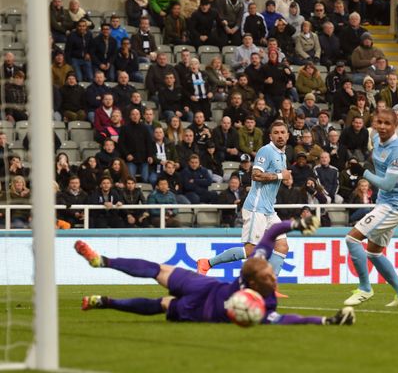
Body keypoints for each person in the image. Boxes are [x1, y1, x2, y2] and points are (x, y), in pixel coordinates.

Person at [75, 216, 354, 326]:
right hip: (205, 288)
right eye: (269, 272)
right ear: (255, 280)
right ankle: (103, 261)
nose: (273, 272)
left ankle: (106, 302)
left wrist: (326, 321)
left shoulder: (265, 302)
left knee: (161, 304)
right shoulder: (255, 271)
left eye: (271, 273)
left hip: (203, 312)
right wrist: (296, 222)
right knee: (158, 270)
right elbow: (273, 231)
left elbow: (290, 319)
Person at [197, 121, 292, 281]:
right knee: (251, 250)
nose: (280, 135)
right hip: (256, 207)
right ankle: (207, 263)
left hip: (268, 209)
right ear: (270, 136)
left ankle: (270, 285)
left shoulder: (282, 155)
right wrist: (281, 176)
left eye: (283, 132)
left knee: (282, 245)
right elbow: (255, 175)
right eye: (276, 132)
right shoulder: (266, 151)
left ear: (288, 135)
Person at [343, 108, 398, 308]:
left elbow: (387, 184)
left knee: (351, 238)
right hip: (384, 203)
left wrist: (363, 172)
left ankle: (365, 289)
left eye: (387, 123)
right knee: (373, 253)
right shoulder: (375, 139)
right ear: (374, 122)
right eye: (379, 122)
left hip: (395, 205)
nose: (382, 127)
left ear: (395, 126)